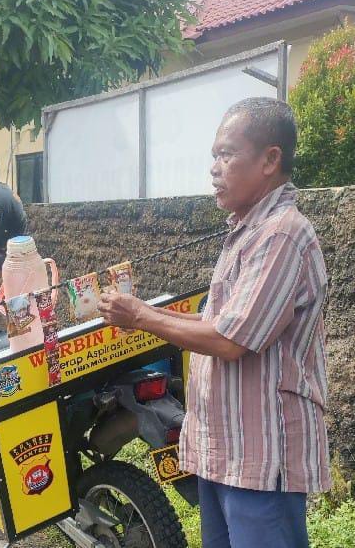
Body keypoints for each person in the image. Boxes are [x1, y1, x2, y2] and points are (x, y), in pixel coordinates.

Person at [98, 97, 331, 548]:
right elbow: (216, 321)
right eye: (214, 156)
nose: (214, 168)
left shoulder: (281, 234)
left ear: (270, 160)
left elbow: (230, 339)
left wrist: (142, 315)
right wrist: (142, 313)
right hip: (227, 453)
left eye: (226, 155)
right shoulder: (247, 231)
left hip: (261, 459)